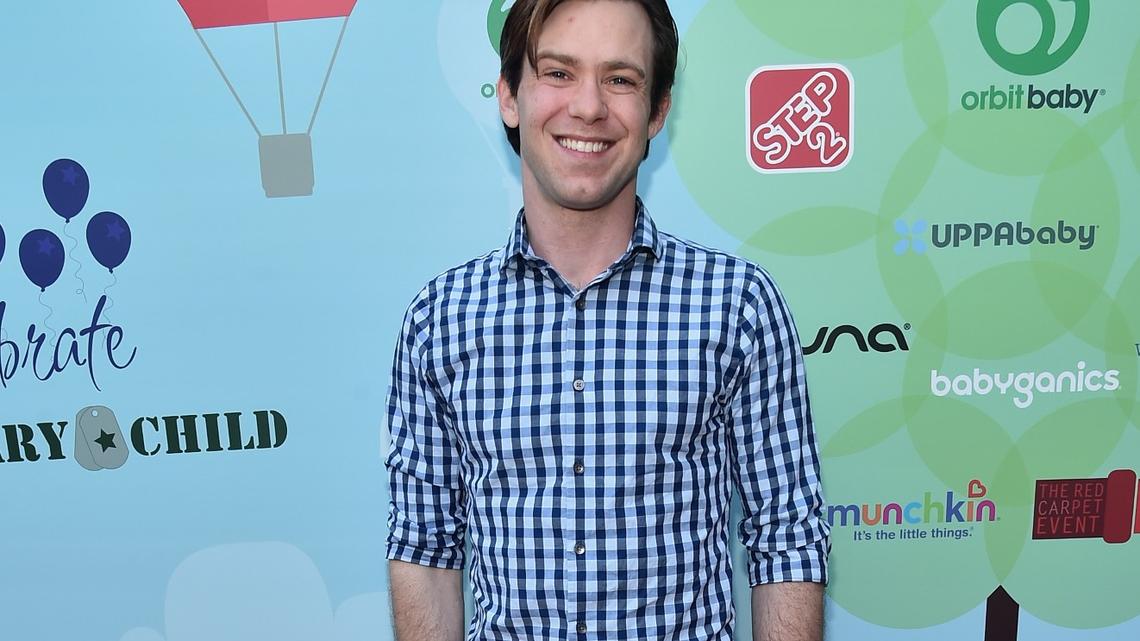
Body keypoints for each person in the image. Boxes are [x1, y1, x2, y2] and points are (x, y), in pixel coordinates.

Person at [384, 1, 830, 639]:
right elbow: (426, 555)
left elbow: (786, 538)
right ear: (510, 96)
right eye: (559, 73)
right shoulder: (439, 321)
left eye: (620, 79)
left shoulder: (739, 308)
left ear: (658, 112)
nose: (589, 107)